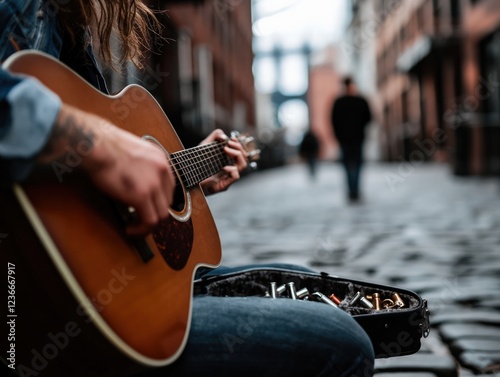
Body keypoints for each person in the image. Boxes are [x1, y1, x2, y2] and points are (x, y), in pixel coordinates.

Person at [0, 2, 375, 376]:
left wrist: (178, 175)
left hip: (110, 293)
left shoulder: (67, 23)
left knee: (302, 285)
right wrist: (99, 144)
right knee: (341, 342)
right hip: (37, 320)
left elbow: (82, 192)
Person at [331, 76, 372, 202]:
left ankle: (351, 190)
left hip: (344, 139)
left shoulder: (338, 102)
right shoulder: (360, 100)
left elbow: (334, 121)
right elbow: (369, 118)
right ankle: (355, 190)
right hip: (357, 138)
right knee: (357, 164)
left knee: (348, 165)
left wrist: (338, 136)